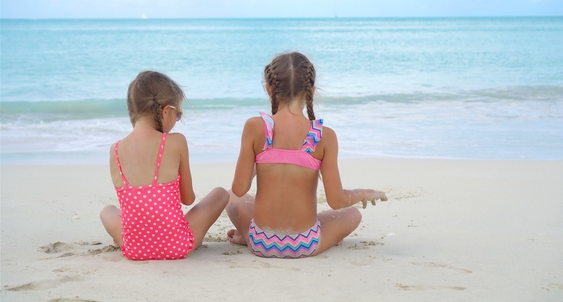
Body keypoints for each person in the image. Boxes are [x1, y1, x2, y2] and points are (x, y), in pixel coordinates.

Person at [226, 52, 388, 259]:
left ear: (268, 89)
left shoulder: (255, 127)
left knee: (230, 196)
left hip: (261, 243)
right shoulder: (324, 136)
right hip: (305, 244)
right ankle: (310, 230)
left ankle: (247, 236)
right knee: (353, 214)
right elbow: (337, 201)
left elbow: (240, 189)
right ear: (311, 91)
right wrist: (365, 192)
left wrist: (261, 164)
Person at [100, 71, 229, 260]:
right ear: (166, 110)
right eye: (177, 116)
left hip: (134, 249)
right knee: (221, 193)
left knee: (107, 211)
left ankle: (128, 238)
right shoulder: (175, 142)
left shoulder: (115, 150)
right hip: (177, 245)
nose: (176, 122)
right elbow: (188, 198)